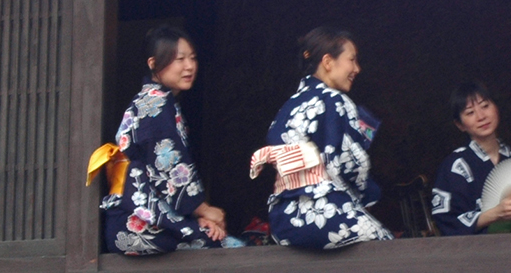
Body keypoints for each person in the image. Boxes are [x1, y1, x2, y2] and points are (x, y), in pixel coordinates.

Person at [98, 27, 235, 255]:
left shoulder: (158, 102)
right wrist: (203, 210)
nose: (189, 66)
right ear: (153, 63)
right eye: (179, 59)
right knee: (224, 247)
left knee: (214, 238)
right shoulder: (156, 106)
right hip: (136, 223)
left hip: (141, 215)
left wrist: (196, 218)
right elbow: (170, 168)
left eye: (192, 58)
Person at [260, 27, 393, 249]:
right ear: (328, 61)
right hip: (324, 214)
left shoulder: (289, 105)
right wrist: (370, 194)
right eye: (352, 60)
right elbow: (352, 165)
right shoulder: (336, 100)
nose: (357, 69)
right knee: (388, 249)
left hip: (284, 219)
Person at [431, 82, 511, 235]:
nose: (481, 117)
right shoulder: (455, 167)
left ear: (496, 107)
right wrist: (492, 215)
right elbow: (447, 222)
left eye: (485, 106)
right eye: (470, 112)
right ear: (460, 125)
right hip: (477, 255)